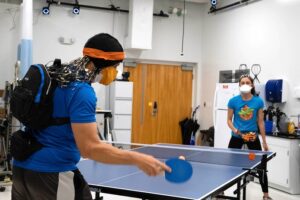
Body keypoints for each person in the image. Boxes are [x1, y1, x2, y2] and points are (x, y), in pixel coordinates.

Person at [11, 33, 171, 200]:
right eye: (115, 66)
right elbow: (89, 149)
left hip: (22, 168)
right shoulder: (81, 91)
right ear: (102, 65)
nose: (116, 72)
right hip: (52, 173)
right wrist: (137, 158)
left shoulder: (57, 77)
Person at [227, 74, 272, 200]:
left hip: (252, 136)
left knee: (261, 167)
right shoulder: (233, 101)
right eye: (242, 82)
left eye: (247, 82)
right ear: (239, 85)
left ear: (252, 85)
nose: (245, 84)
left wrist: (264, 141)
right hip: (236, 136)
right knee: (227, 165)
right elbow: (229, 121)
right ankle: (222, 192)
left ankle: (266, 195)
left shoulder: (258, 101)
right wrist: (237, 131)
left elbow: (261, 122)